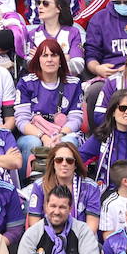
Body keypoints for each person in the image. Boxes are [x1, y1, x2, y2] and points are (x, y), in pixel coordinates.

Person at [14, 40, 84, 169]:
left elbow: (76, 118)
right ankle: (25, 185)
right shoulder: (26, 83)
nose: (50, 59)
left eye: (54, 55)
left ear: (61, 60)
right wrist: (43, 136)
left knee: (68, 142)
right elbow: (21, 120)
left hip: (63, 133)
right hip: (33, 134)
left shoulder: (74, 83)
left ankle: (67, 184)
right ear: (38, 60)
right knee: (32, 143)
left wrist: (61, 135)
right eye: (45, 55)